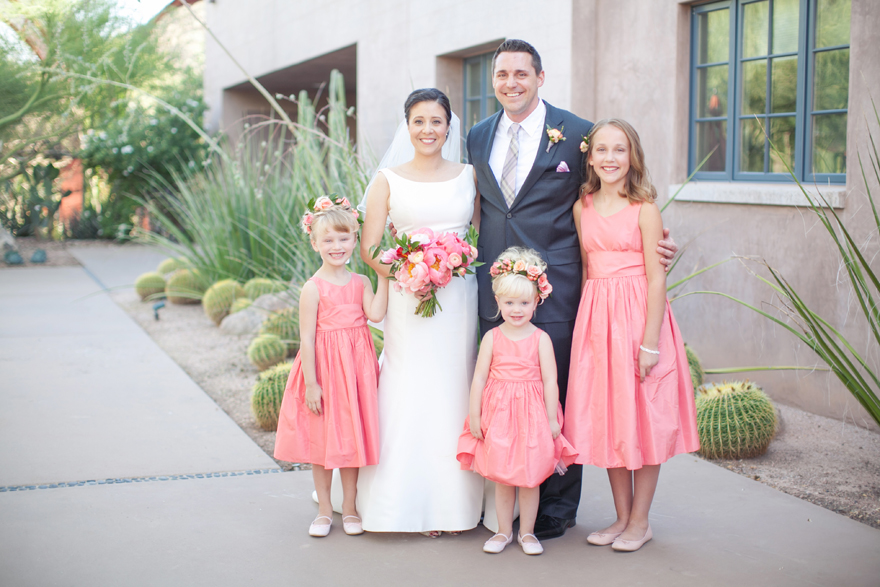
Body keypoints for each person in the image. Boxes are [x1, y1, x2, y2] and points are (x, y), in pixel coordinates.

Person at [466, 39, 679, 539]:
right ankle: (508, 497)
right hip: (497, 284)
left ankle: (557, 508)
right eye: (502, 74)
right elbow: (482, 205)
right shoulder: (477, 136)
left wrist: (664, 249)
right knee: (503, 390)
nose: (512, 82)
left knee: (559, 394)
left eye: (522, 73)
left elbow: (619, 197)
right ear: (493, 80)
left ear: (541, 77)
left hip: (563, 286)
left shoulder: (581, 133)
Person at [564, 119, 700, 552]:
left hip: (638, 318)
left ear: (632, 156)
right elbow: (586, 270)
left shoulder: (645, 208)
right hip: (598, 320)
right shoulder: (581, 206)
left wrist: (649, 342)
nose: (609, 158)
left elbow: (657, 280)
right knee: (611, 421)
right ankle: (621, 518)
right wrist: (585, 333)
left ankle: (641, 521)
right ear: (589, 156)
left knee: (645, 419)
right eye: (601, 150)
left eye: (619, 150)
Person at [356, 88, 484, 534]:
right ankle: (401, 499)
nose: (428, 130)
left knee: (454, 382)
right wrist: (409, 267)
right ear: (406, 126)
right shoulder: (387, 179)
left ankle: (453, 503)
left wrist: (451, 263)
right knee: (407, 382)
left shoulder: (469, 175)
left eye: (436, 121)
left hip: (459, 298)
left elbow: (478, 238)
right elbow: (369, 247)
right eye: (419, 121)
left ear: (449, 126)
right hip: (408, 298)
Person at [274, 198, 389, 537]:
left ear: (355, 239)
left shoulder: (360, 283)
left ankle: (349, 508)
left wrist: (384, 275)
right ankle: (325, 510)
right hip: (323, 370)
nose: (336, 246)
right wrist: (312, 383)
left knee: (351, 438)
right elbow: (306, 339)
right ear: (314, 243)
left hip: (354, 371)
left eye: (343, 238)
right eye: (328, 240)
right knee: (322, 443)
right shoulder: (313, 288)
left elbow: (377, 314)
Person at [457, 247, 578, 555]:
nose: (516, 309)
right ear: (497, 301)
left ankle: (526, 533)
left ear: (536, 301)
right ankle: (502, 531)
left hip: (532, 416)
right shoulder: (492, 338)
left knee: (529, 478)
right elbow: (480, 378)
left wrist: (552, 419)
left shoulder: (540, 339)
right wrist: (475, 415)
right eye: (509, 302)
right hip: (498, 415)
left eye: (524, 302)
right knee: (502, 476)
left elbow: (551, 381)